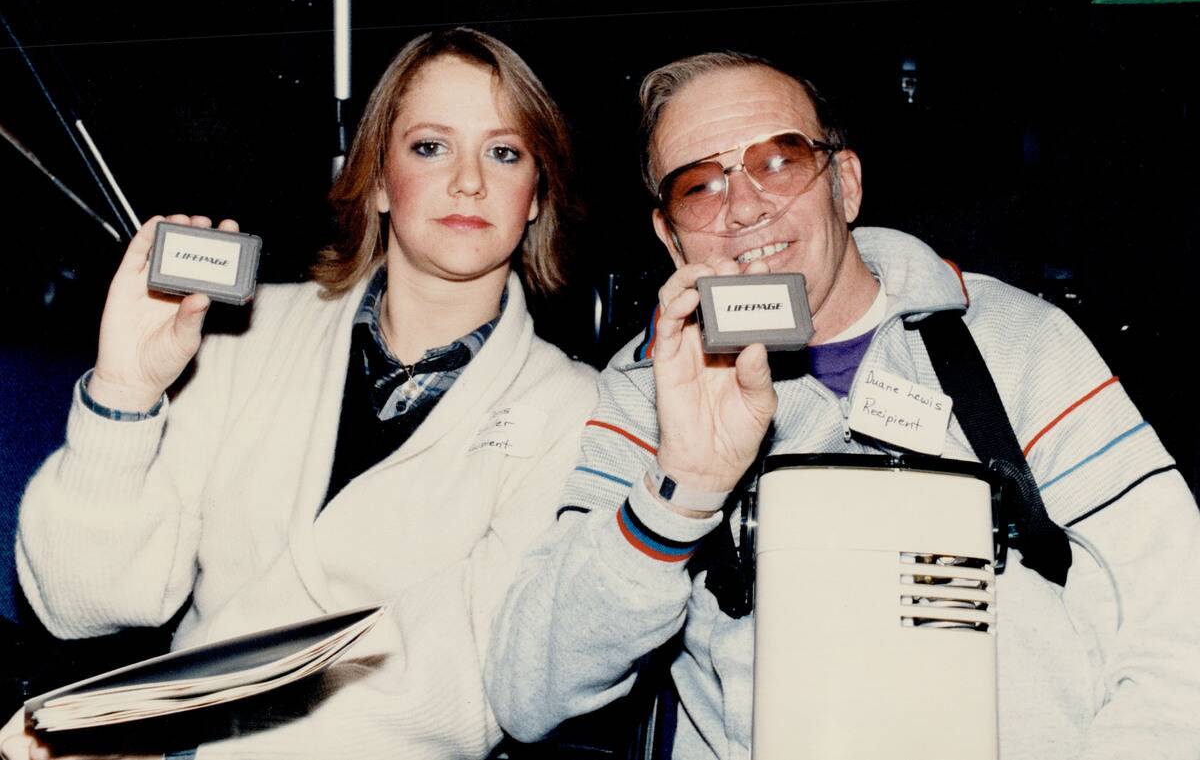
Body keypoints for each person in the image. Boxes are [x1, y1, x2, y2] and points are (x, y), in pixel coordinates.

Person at [485, 51, 1200, 759]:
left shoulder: (1017, 342)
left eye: (779, 160)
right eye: (699, 185)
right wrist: (683, 488)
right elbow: (531, 692)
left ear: (846, 184)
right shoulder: (646, 389)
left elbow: (1174, 613)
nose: (742, 207)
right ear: (671, 237)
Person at [3, 27, 597, 760]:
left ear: (536, 194)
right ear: (378, 180)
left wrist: (178, 748)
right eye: (431, 146)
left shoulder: (572, 408)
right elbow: (78, 604)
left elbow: (465, 693)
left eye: (504, 153)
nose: (469, 180)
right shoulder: (246, 335)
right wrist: (124, 391)